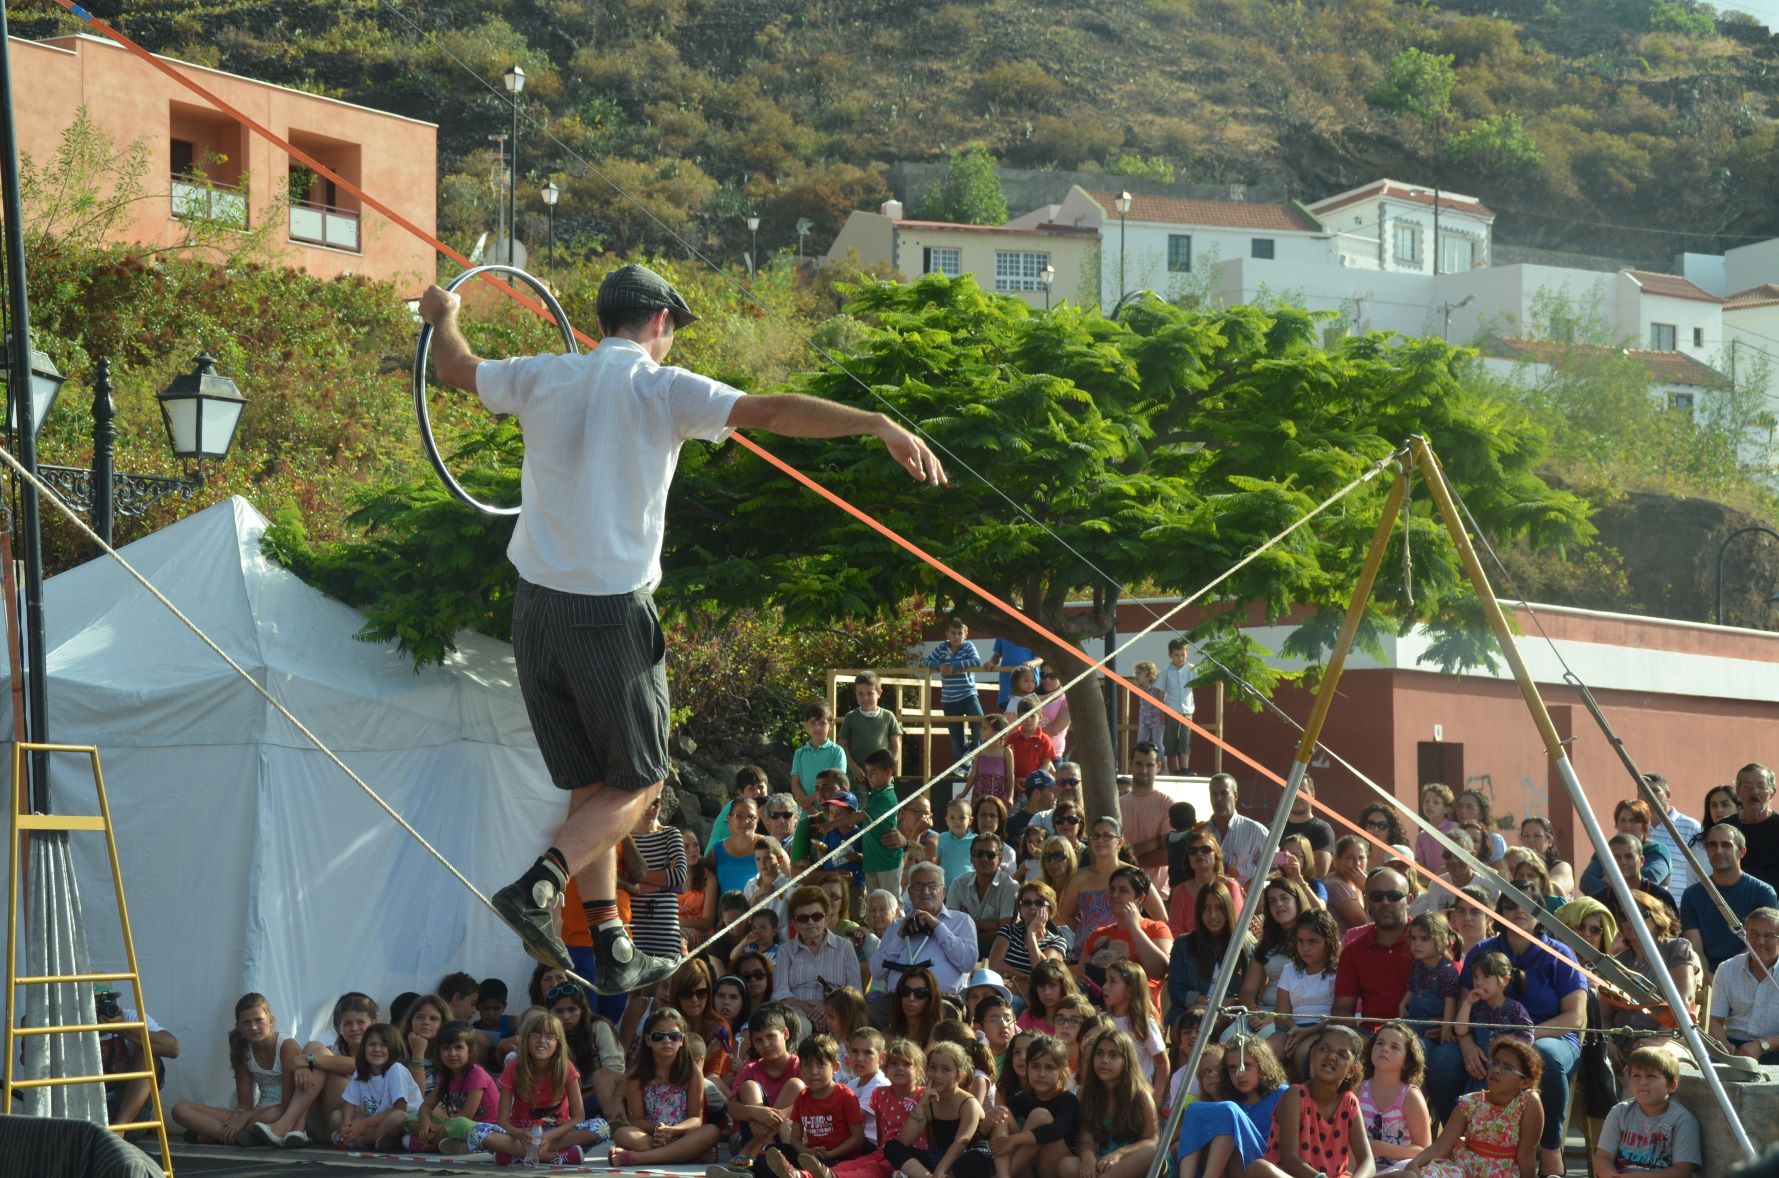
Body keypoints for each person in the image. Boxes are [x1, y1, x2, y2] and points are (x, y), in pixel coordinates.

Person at [420, 265, 944, 989]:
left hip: (535, 607)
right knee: (639, 781)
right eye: (672, 331)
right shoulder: (662, 387)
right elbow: (775, 409)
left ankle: (610, 940)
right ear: (659, 321)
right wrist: (875, 422)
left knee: (591, 787)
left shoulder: (542, 375)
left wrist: (444, 313)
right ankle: (537, 886)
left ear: (601, 318)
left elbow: (452, 366)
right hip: (608, 612)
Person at [1426, 888, 1585, 1178]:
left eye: (1528, 904)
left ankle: (1549, 1149)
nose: (1519, 910)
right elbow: (1465, 1003)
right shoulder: (1481, 950)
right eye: (1511, 904)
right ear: (1500, 913)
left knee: (1545, 1055)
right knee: (1443, 1060)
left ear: (1541, 913)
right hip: (1480, 1034)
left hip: (1548, 1034)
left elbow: (1574, 1016)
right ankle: (1460, 1143)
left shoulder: (1560, 953)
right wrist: (1466, 1044)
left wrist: (1513, 1048)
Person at [172, 992, 312, 1148]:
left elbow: (286, 1104)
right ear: (239, 1027)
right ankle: (236, 1136)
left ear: (271, 1020)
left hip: (282, 1113)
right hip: (257, 1113)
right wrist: (239, 1117)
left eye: (259, 1021)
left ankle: (213, 1134)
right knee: (180, 1109)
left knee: (264, 1118)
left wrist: (245, 1118)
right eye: (246, 1023)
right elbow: (244, 1104)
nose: (253, 1027)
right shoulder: (243, 1049)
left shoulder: (286, 1046)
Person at [1398, 1038, 1542, 1178]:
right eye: (1495, 1063)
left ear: (1524, 1082)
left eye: (1507, 1067)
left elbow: (1526, 1155)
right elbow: (1441, 1145)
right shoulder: (1470, 1102)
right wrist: (1415, 1162)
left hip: (1502, 1173)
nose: (1497, 1070)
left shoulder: (1528, 1102)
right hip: (1464, 1169)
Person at [1246, 1026, 1375, 1178]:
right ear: (1312, 1054)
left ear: (1352, 1070)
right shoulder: (1295, 1095)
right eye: (1324, 1049)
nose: (1331, 1056)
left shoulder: (1349, 1101)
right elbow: (1289, 1160)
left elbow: (1368, 1161)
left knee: (1405, 1176)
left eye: (1342, 1055)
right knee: (1259, 1167)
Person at [608, 1008, 722, 1165]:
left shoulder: (692, 1071)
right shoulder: (636, 1075)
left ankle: (639, 1158)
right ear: (648, 1040)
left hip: (684, 1134)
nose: (667, 1041)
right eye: (659, 1036)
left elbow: (696, 1118)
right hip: (652, 1136)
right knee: (622, 1134)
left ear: (682, 1040)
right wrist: (659, 1131)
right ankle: (688, 1155)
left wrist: (673, 1131)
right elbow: (637, 1120)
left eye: (674, 1036)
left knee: (712, 1131)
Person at [1172, 1034, 1292, 1178]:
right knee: (1194, 1109)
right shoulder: (1231, 1098)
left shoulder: (1282, 1094)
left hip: (1266, 1166)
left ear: (1262, 1064)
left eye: (1246, 1065)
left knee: (1229, 1110)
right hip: (1236, 1168)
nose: (1239, 1074)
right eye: (1232, 1068)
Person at [869, 862, 978, 1011]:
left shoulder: (962, 921)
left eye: (932, 886)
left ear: (943, 891)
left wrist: (937, 926)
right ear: (910, 891)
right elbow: (877, 971)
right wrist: (900, 936)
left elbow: (967, 963)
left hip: (941, 1001)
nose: (925, 892)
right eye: (919, 886)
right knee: (870, 1016)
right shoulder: (896, 926)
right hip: (898, 1000)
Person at [756, 1034, 866, 1178]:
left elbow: (857, 1138)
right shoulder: (802, 1097)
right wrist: (808, 1153)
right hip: (810, 1157)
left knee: (834, 1169)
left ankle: (800, 1175)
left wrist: (830, 1154)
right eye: (807, 1065)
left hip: (840, 1157)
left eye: (821, 1065)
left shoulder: (846, 1096)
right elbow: (795, 1139)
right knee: (768, 1152)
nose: (813, 1072)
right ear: (800, 1069)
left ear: (835, 1067)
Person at [1681, 822, 1779, 973]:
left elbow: (1759, 944)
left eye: (1726, 845)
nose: (1718, 851)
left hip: (1748, 971)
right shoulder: (1692, 895)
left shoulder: (1763, 892)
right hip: (1704, 976)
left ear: (1742, 851)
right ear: (1707, 851)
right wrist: (1705, 975)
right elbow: (1695, 947)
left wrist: (1727, 974)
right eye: (1712, 845)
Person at [1593, 1045, 1701, 1178]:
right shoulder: (1619, 1112)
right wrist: (1611, 1175)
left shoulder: (1682, 1121)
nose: (1642, 1082)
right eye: (1636, 1076)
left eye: (1651, 1076)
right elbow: (1602, 1157)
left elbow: (1681, 1171)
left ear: (1671, 1086)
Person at [888, 1041, 993, 1178]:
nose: (937, 1075)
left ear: (959, 1076)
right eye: (933, 1068)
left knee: (973, 1160)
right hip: (941, 1157)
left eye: (946, 1070)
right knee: (892, 1147)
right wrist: (920, 1105)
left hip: (967, 1154)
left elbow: (961, 1142)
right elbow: (906, 1140)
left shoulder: (969, 1103)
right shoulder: (929, 1101)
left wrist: (940, 1171)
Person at [1234, 879, 1317, 1041]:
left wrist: (1275, 1017)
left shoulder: (1314, 940)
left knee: (1260, 1044)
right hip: (1263, 1012)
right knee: (1230, 1037)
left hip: (1298, 1015)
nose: (1278, 904)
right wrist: (1254, 1012)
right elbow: (1248, 990)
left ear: (1297, 900)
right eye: (1272, 901)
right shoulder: (1266, 944)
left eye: (1284, 898)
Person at [1333, 869, 1417, 1028]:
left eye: (1394, 896)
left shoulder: (1433, 941)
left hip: (1424, 1035)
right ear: (1367, 901)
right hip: (1371, 1039)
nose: (1385, 902)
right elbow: (1342, 1009)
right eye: (1377, 897)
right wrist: (1354, 1041)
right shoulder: (1353, 951)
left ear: (1409, 900)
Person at [406, 1020, 502, 1155]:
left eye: (458, 1047)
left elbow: (466, 1115)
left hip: (486, 1129)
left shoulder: (477, 1074)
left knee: (459, 1123)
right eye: (446, 1048)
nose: (452, 1053)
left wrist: (438, 1128)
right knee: (411, 1119)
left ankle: (429, 1143)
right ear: (439, 1051)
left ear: (471, 1050)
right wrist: (426, 1122)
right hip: (454, 1128)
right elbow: (426, 1105)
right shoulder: (446, 1076)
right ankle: (439, 1142)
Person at [989, 1034, 1078, 1178]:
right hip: (1026, 1168)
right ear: (1027, 1068)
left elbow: (1055, 1131)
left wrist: (1012, 1140)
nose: (1041, 1074)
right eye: (1035, 1066)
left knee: (1040, 1115)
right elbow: (990, 1133)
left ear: (1063, 1071)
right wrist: (986, 1124)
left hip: (1054, 1167)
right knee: (1001, 1113)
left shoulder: (1068, 1100)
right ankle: (1003, 1174)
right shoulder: (1021, 1099)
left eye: (1049, 1068)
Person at [1074, 1029, 1159, 1178]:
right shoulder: (1085, 1093)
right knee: (1067, 1165)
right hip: (1102, 1160)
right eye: (1099, 1053)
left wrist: (1120, 1154)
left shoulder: (1141, 1096)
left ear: (1126, 1061)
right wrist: (1088, 1157)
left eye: (1113, 1055)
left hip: (1132, 1160)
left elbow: (1152, 1141)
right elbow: (1085, 1138)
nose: (1104, 1060)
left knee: (1150, 1154)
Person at [776, 887, 864, 1030]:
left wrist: (828, 1008)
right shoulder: (785, 951)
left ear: (826, 919)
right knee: (800, 1025)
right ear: (794, 924)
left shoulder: (845, 947)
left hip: (838, 1010)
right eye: (803, 919)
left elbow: (855, 991)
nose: (810, 922)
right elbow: (780, 993)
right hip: (798, 1011)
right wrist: (806, 1008)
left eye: (817, 916)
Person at [1078, 866, 1174, 992]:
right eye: (1112, 889)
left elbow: (1160, 971)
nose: (1114, 895)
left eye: (1123, 891)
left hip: (1140, 1005)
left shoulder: (1156, 928)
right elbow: (1082, 974)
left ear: (1140, 899)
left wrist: (1134, 926)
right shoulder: (1097, 935)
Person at [332, 1023, 422, 1151]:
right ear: (364, 1048)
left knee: (398, 1117)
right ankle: (359, 1136)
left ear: (394, 1048)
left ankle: (364, 1140)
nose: (377, 1049)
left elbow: (400, 1109)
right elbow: (349, 1103)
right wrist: (347, 1122)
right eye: (372, 1045)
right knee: (336, 1116)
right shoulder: (361, 1071)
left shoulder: (396, 1070)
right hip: (376, 1122)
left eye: (383, 1045)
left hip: (404, 1123)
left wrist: (362, 1125)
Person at [1706, 905, 1779, 1062]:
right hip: (1734, 1047)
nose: (1760, 941)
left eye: (1769, 936)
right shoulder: (1727, 968)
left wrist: (1762, 1046)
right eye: (1753, 934)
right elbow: (1714, 1021)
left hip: (1774, 1048)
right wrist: (1726, 1047)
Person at [1167, 881, 1248, 1022]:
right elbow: (1176, 990)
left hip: (1229, 1016)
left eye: (1219, 908)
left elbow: (1249, 992)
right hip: (1189, 1014)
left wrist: (1233, 1002)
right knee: (1196, 1016)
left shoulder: (1242, 946)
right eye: (1206, 908)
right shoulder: (1183, 944)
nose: (1213, 915)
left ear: (1228, 910)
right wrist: (1207, 1002)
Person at [1359, 1022, 1432, 1174]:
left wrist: (1382, 1148)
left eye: (1394, 1047)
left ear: (1407, 1061)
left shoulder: (1410, 1096)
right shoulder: (1358, 1089)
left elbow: (1424, 1150)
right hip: (1360, 1169)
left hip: (1397, 1170)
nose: (1384, 1049)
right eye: (1380, 1043)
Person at [1273, 910, 1342, 1068]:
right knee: (1265, 1052)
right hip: (1291, 1028)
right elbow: (1280, 1015)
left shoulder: (1340, 972)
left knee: (1304, 1053)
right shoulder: (1289, 970)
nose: (1305, 948)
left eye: (1312, 941)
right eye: (1300, 941)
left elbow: (1339, 1015)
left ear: (1329, 941)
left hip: (1324, 1029)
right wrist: (1295, 1030)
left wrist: (1309, 1031)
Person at [626, 793, 689, 960]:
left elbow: (679, 875)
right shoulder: (624, 837)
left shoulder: (670, 834)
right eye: (645, 802)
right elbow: (619, 880)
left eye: (656, 803)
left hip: (666, 929)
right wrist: (663, 884)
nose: (651, 808)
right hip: (634, 926)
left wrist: (637, 878)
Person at [926, 617, 985, 766]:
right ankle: (962, 765)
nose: (956, 636)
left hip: (968, 693)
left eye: (960, 633)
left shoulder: (968, 646)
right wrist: (939, 666)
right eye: (953, 633)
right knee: (955, 733)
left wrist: (955, 666)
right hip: (949, 698)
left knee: (979, 721)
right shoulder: (942, 647)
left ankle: (974, 754)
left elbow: (976, 661)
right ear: (947, 634)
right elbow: (926, 661)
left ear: (965, 634)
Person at [948, 833, 1020, 954]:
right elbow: (951, 925)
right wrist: (993, 924)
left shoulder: (1011, 887)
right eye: (979, 854)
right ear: (971, 858)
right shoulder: (958, 884)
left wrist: (969, 924)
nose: (984, 859)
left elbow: (1005, 931)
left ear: (1000, 859)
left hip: (998, 951)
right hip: (961, 949)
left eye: (990, 855)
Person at [1581, 801, 1674, 894]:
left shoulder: (1657, 850)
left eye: (1633, 821)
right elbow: (1586, 882)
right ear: (1617, 824)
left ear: (1645, 825)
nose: (1627, 826)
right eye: (1623, 820)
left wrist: (1611, 880)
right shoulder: (1606, 850)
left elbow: (1647, 882)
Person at [1586, 834, 1679, 925]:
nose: (1623, 862)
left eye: (1629, 856)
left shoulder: (1661, 897)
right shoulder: (1598, 901)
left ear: (1641, 861)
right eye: (1616, 857)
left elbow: (1675, 934)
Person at [1409, 828, 1499, 917]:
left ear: (1472, 855)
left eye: (1459, 855)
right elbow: (1437, 923)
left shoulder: (1489, 885)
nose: (1453, 860)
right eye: (1447, 855)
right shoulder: (1436, 886)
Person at [1639, 774, 1702, 898]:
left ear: (1668, 795)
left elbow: (1703, 871)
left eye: (1654, 791)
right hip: (1640, 907)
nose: (1647, 795)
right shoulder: (1632, 827)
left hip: (1680, 907)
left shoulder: (1691, 827)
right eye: (1642, 791)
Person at [839, 672, 903, 790]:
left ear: (879, 693)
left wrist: (888, 769)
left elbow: (896, 745)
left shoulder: (888, 716)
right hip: (858, 777)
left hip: (882, 778)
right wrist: (853, 767)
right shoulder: (850, 717)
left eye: (870, 693)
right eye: (860, 694)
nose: (865, 698)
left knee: (883, 807)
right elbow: (842, 746)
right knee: (861, 807)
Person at [1118, 742, 1173, 879]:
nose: (1144, 770)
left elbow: (1167, 855)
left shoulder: (1167, 804)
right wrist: (1154, 843)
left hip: (1159, 893)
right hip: (1124, 891)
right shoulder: (1118, 805)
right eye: (1139, 764)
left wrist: (1126, 860)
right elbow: (1114, 852)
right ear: (1130, 765)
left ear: (1159, 767)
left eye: (1149, 765)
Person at [1728, 763, 1779, 893]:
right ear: (1738, 792)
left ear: (1772, 792)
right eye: (1747, 786)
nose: (1754, 792)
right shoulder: (1727, 828)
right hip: (1734, 902)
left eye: (1761, 786)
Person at [708, 767, 772, 854]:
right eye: (751, 789)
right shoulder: (738, 807)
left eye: (760, 787)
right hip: (720, 857)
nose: (757, 792)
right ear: (741, 793)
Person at [1284, 777, 1337, 879]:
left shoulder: (1322, 829)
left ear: (1312, 795)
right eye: (1293, 790)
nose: (1298, 796)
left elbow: (1320, 870)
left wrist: (1279, 861)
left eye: (1303, 792)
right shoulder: (1275, 828)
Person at [1156, 638, 1196, 773]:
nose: (1180, 658)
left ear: (1187, 654)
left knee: (1185, 739)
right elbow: (1160, 692)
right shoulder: (1166, 671)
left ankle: (1185, 768)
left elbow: (1199, 682)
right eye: (1176, 656)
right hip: (1171, 710)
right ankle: (1175, 770)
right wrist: (1162, 712)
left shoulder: (1191, 669)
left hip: (1187, 710)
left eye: (1183, 655)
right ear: (1170, 655)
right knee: (1171, 740)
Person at [1516, 817, 1576, 898]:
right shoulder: (1516, 866)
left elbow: (1552, 890)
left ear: (1550, 841)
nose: (1531, 840)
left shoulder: (1562, 867)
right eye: (1526, 836)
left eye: (1537, 836)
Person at [1326, 835, 1371, 932]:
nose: (1357, 864)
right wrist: (1367, 889)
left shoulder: (1357, 882)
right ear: (1337, 860)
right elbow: (1364, 925)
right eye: (1350, 858)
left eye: (1361, 858)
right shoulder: (1336, 885)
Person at [1451, 790, 1506, 868]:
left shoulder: (1495, 840)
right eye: (1460, 806)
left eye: (1470, 807)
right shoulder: (1451, 837)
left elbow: (1501, 873)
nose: (1463, 811)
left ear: (1482, 813)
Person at [983, 636, 1039, 712]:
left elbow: (1041, 657)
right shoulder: (1002, 633)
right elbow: (997, 655)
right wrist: (992, 662)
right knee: (1010, 717)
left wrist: (1034, 663)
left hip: (1030, 688)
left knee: (1031, 716)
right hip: (1008, 689)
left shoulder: (1032, 632)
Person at [1414, 785, 1459, 873]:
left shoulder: (1455, 828)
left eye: (1436, 802)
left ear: (1446, 809)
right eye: (1426, 801)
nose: (1429, 805)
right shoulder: (1421, 836)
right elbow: (1420, 865)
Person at [1036, 665, 1072, 761]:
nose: (1047, 679)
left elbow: (1055, 730)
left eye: (1053, 676)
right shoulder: (1032, 695)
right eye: (1043, 675)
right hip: (1030, 753)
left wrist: (1029, 732)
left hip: (1053, 755)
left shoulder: (1067, 698)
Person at [1130, 661, 1165, 751]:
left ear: (1148, 675)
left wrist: (1163, 715)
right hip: (1144, 719)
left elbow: (1162, 699)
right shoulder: (1140, 687)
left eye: (1139, 673)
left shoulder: (1155, 687)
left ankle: (1163, 764)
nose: (1136, 675)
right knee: (1140, 743)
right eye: (1136, 673)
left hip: (1156, 719)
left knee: (1157, 743)